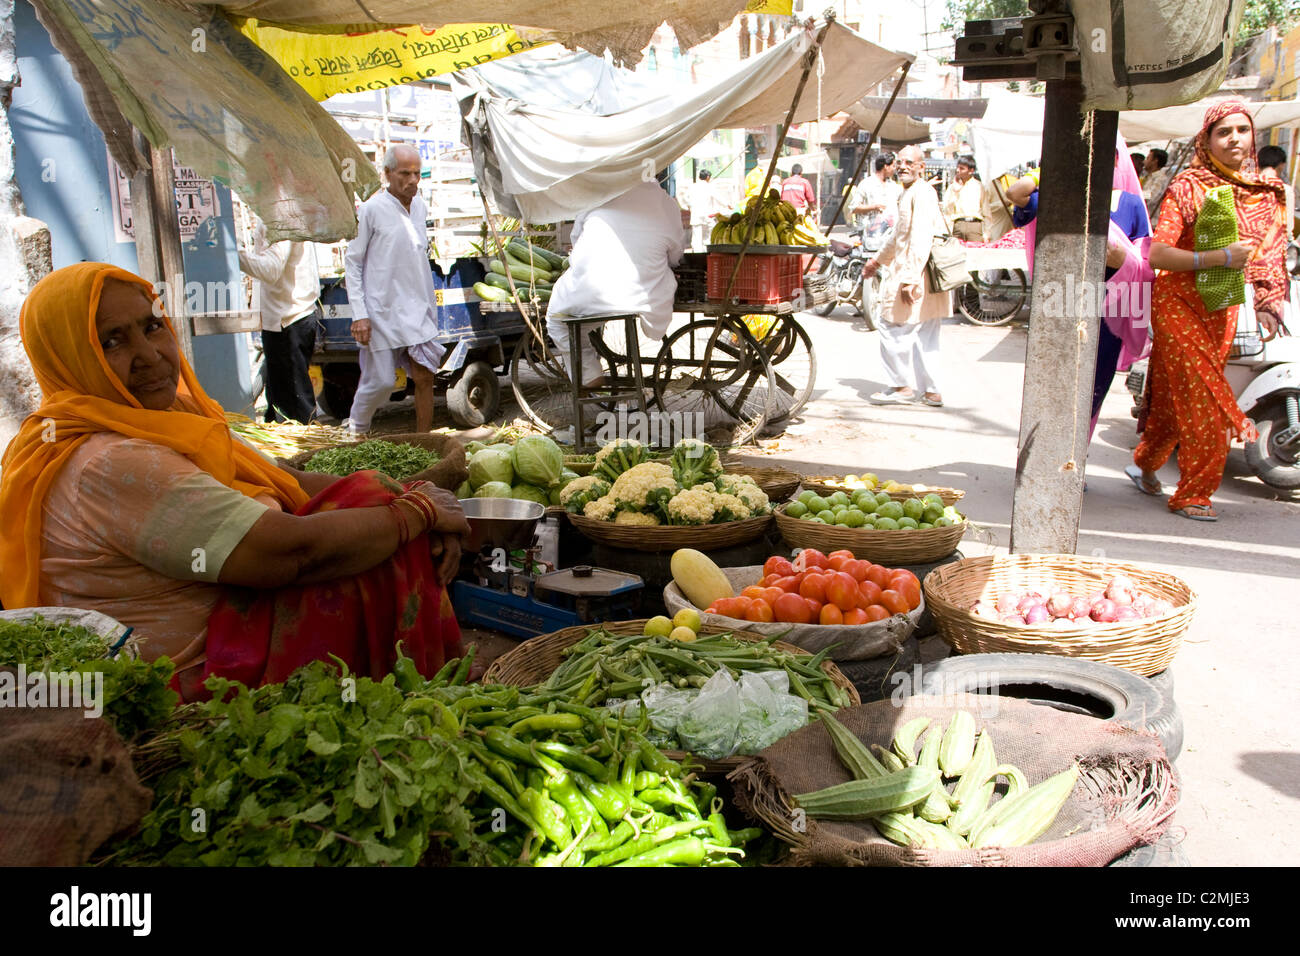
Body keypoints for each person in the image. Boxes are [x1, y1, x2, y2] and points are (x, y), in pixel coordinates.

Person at [0, 263, 470, 700]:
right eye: (111, 342)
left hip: (238, 617)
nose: (149, 355)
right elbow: (291, 554)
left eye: (151, 326)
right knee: (378, 553)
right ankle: (417, 697)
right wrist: (417, 516)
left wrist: (410, 495)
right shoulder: (107, 461)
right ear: (67, 357)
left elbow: (285, 476)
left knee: (370, 494)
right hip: (196, 676)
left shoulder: (162, 419)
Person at [1126, 102, 1288, 521]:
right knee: (1205, 395)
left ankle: (1145, 461)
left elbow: (1270, 254)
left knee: (1172, 398)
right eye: (1223, 132)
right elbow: (1159, 252)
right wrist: (1218, 257)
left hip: (1222, 308)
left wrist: (1270, 303)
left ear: (1253, 137)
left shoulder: (1267, 195)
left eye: (1242, 130)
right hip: (1177, 301)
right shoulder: (1189, 184)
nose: (1234, 138)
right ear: (1207, 140)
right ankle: (1193, 493)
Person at [345, 144, 444, 436]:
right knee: (382, 382)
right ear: (387, 173)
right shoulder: (371, 210)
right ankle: (355, 430)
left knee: (425, 377)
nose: (412, 180)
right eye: (405, 173)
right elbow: (352, 263)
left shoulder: (421, 206)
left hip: (418, 307)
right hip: (382, 310)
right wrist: (359, 314)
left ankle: (424, 441)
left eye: (417, 173)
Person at [546, 180, 686, 386]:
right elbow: (676, 255)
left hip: (592, 291)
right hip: (644, 295)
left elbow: (576, 240)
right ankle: (596, 373)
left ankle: (588, 374)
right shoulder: (666, 202)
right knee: (615, 305)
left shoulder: (598, 191)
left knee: (557, 321)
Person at [861, 145, 950, 407]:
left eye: (909, 162)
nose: (903, 166)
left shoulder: (922, 193)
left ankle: (901, 387)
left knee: (891, 326)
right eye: (899, 162)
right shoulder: (909, 192)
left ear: (921, 167)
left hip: (916, 274)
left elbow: (921, 237)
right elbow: (898, 235)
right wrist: (876, 262)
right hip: (919, 273)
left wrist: (910, 279)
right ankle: (931, 391)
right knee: (926, 333)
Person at [238, 218, 322, 425]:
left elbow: (270, 270)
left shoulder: (281, 220)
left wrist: (233, 252)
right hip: (282, 320)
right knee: (280, 404)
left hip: (289, 320)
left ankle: (307, 450)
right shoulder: (281, 216)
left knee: (295, 405)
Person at [849, 152, 902, 240]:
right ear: (886, 166)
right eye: (893, 166)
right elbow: (854, 208)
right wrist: (874, 207)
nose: (895, 169)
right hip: (871, 235)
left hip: (890, 235)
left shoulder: (893, 186)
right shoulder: (866, 184)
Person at [684, 169, 729, 251]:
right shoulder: (709, 186)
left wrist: (689, 206)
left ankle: (697, 255)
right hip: (707, 215)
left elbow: (685, 198)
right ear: (708, 177)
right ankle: (707, 254)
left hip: (696, 215)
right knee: (707, 237)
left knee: (696, 237)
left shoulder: (693, 186)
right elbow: (718, 197)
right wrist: (728, 205)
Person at [942, 155, 984, 241]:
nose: (958, 170)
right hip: (958, 225)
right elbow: (946, 209)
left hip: (974, 226)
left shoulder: (979, 186)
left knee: (974, 252)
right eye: (958, 167)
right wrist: (955, 191)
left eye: (962, 168)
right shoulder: (952, 187)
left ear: (971, 170)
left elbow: (985, 210)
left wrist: (987, 232)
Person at [1257, 144, 1295, 239]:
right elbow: (1288, 227)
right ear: (1282, 165)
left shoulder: (1247, 184)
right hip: (1274, 244)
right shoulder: (1285, 190)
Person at [1142, 147, 1172, 218]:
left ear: (1155, 161)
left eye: (1148, 158)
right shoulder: (1148, 176)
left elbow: (1152, 196)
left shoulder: (1161, 179)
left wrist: (1136, 194)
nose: (1144, 161)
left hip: (1152, 220)